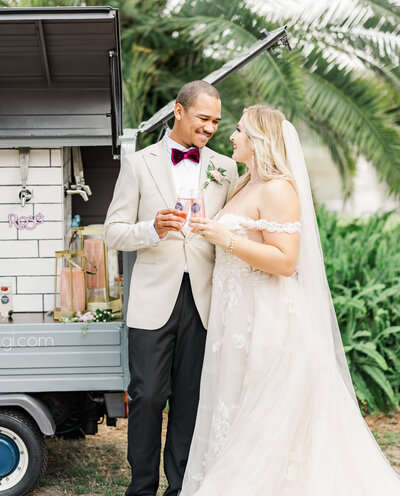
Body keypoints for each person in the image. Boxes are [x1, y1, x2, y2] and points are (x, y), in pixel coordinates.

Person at [181, 105, 400, 495]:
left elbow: (285, 262)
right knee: (234, 405)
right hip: (234, 317)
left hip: (265, 316)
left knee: (264, 410)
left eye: (240, 131)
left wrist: (223, 237)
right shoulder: (245, 183)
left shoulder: (279, 189)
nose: (231, 136)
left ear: (260, 141)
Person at [103, 80, 238, 496]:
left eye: (215, 121)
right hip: (152, 300)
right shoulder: (139, 164)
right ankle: (141, 487)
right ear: (178, 112)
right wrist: (151, 229)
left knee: (191, 400)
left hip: (204, 299)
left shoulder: (226, 168)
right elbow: (112, 232)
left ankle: (180, 488)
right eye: (203, 118)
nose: (210, 127)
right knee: (146, 397)